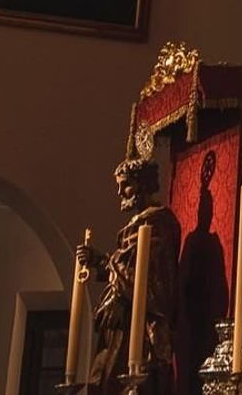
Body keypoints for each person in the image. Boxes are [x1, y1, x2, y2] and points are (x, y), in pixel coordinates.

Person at [78, 122, 181, 395]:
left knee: (125, 377)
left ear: (142, 184)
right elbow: (127, 265)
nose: (119, 193)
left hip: (140, 321)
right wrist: (101, 262)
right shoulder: (137, 224)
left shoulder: (158, 222)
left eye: (125, 185)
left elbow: (149, 276)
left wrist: (111, 271)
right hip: (122, 317)